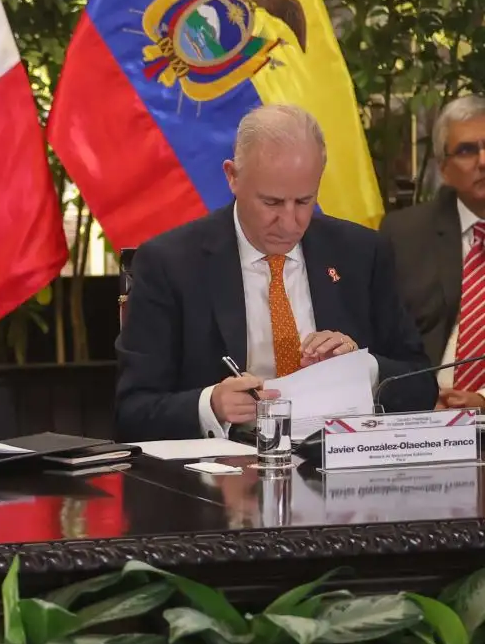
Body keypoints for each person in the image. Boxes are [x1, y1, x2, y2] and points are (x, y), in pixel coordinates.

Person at [116, 104, 435, 443]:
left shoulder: (361, 253)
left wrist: (363, 368)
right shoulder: (170, 263)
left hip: (340, 465)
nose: (289, 222)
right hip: (225, 472)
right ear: (232, 177)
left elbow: (422, 385)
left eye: (303, 202)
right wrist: (210, 405)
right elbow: (131, 411)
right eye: (271, 203)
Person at [379, 94, 485, 409]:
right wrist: (418, 396)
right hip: (426, 418)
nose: (483, 160)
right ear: (444, 168)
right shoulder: (405, 235)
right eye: (467, 150)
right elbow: (382, 342)